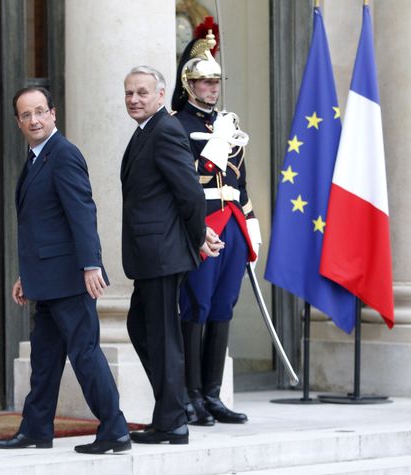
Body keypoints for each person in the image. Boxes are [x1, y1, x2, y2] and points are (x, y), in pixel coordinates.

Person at [0, 86, 130, 454]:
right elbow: (42, 225)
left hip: (69, 278)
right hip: (47, 279)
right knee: (45, 358)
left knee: (84, 353)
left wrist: (91, 264)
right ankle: (36, 430)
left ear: (53, 113)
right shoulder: (37, 157)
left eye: (40, 111)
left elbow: (82, 212)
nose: (34, 120)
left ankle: (115, 430)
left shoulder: (64, 154)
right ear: (18, 122)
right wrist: (27, 276)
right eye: (26, 115)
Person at [121, 66, 220, 445]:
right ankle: (171, 410)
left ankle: (172, 421)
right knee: (140, 328)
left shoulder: (165, 131)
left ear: (161, 95)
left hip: (162, 255)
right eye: (129, 93)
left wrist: (197, 237)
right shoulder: (146, 132)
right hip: (150, 255)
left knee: (162, 338)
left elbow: (191, 194)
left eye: (142, 92)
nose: (134, 99)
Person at [172, 29, 261, 425]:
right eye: (205, 81)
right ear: (188, 84)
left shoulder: (229, 124)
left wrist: (251, 227)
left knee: (223, 308)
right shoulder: (175, 125)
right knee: (197, 307)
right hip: (203, 225)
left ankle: (213, 395)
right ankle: (191, 395)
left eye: (215, 81)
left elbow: (242, 183)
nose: (212, 88)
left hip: (233, 224)